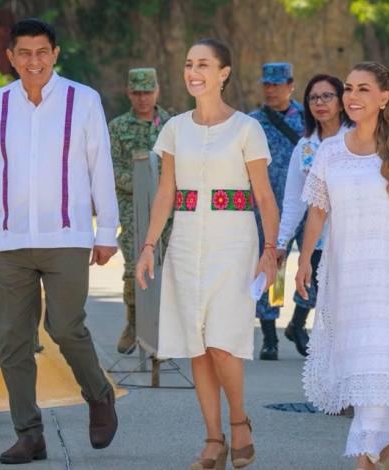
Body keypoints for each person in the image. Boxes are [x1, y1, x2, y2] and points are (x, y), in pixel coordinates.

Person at [0, 18, 120, 464]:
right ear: (10, 58)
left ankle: (98, 395)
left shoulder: (83, 101)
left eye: (41, 52)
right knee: (13, 341)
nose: (34, 61)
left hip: (66, 235)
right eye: (24, 53)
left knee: (65, 327)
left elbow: (100, 168)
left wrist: (105, 231)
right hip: (11, 239)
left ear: (54, 54)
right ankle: (29, 434)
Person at [135, 38, 278, 470]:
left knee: (222, 343)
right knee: (196, 345)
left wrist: (270, 251)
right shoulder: (174, 128)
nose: (193, 71)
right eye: (188, 64)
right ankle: (213, 439)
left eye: (203, 64)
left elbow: (264, 199)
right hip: (184, 241)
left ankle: (240, 421)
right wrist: (148, 247)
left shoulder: (247, 128)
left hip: (233, 242)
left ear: (224, 73)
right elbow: (165, 194)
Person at [297, 62, 389, 470]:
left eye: (363, 89)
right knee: (362, 373)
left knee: (379, 368)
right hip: (347, 279)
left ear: (384, 97)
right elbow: (316, 212)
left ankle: (365, 459)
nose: (352, 96)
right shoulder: (330, 151)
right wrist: (304, 259)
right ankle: (387, 445)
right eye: (348, 88)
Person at [275, 73, 352, 357]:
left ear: (342, 101)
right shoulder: (306, 146)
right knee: (331, 311)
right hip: (321, 244)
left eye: (327, 96)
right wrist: (282, 242)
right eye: (313, 98)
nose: (320, 103)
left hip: (359, 239)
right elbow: (294, 200)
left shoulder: (360, 139)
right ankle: (338, 381)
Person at [108, 67, 172, 354]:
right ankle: (133, 322)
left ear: (157, 91)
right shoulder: (118, 127)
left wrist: (163, 190)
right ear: (128, 93)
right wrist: (143, 185)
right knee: (134, 265)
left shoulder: (171, 124)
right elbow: (111, 167)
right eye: (137, 93)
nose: (143, 98)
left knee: (169, 267)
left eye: (148, 92)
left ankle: (165, 329)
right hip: (131, 207)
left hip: (169, 209)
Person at [248, 62, 304, 360]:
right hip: (266, 211)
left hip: (305, 208)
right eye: (266, 84)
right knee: (274, 270)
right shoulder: (253, 122)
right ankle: (269, 337)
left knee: (314, 266)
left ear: (290, 85)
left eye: (276, 84)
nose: (270, 89)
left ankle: (299, 322)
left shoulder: (309, 120)